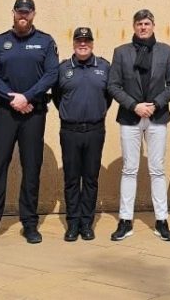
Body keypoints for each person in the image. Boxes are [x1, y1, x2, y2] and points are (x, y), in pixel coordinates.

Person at [0, 0, 59, 245]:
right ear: (13, 13)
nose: (23, 15)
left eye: (28, 12)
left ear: (33, 14)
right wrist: (13, 98)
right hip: (5, 112)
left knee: (31, 167)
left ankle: (30, 224)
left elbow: (51, 74)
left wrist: (28, 97)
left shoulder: (45, 41)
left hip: (34, 111)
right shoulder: (1, 42)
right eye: (19, 11)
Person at [107, 9, 170, 241]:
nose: (143, 27)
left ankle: (162, 220)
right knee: (129, 169)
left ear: (153, 25)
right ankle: (125, 221)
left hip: (157, 116)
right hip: (130, 116)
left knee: (157, 169)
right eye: (139, 23)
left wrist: (156, 104)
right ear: (134, 26)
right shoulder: (121, 52)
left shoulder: (166, 51)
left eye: (147, 23)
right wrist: (133, 106)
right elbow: (113, 85)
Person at [53, 27, 111, 242]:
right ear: (74, 43)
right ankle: (73, 222)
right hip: (70, 131)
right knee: (71, 178)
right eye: (79, 40)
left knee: (90, 179)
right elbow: (56, 97)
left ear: (92, 43)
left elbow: (109, 96)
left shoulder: (104, 67)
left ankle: (86, 223)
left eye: (87, 40)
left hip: (95, 130)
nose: (83, 44)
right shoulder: (63, 68)